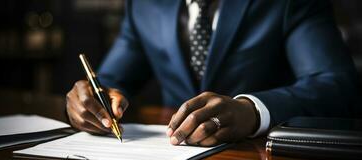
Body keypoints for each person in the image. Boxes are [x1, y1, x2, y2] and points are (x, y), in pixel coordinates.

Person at [66, 0, 361, 146]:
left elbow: (337, 84)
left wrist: (253, 111)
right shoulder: (145, 4)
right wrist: (92, 100)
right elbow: (113, 81)